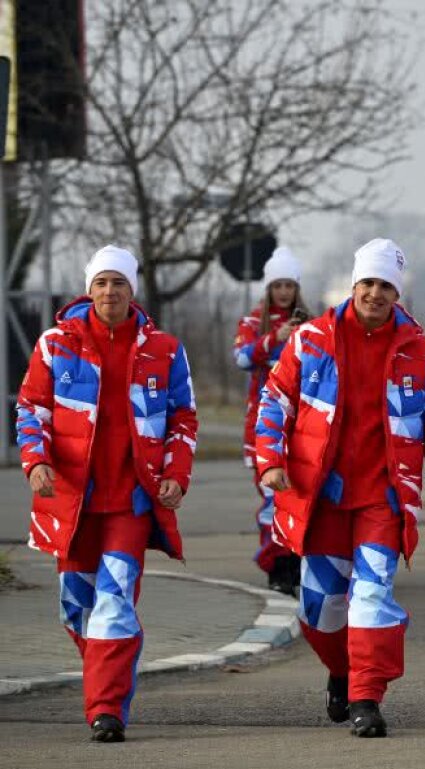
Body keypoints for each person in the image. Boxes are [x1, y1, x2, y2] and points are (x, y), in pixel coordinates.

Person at [256, 237, 425, 738]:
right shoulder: (311, 340)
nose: (375, 293)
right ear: (353, 286)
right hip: (320, 498)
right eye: (367, 283)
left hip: (383, 499)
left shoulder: (421, 352)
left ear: (397, 293)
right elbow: (273, 404)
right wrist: (270, 462)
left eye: (385, 285)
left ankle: (367, 697)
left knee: (371, 599)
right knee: (320, 610)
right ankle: (343, 672)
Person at [15, 245, 199, 743]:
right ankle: (109, 667)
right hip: (72, 500)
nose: (110, 292)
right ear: (88, 288)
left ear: (132, 290)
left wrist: (176, 474)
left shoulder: (164, 349)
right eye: (101, 283)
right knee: (76, 606)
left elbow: (184, 416)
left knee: (115, 603)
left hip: (131, 502)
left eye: (119, 283)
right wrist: (36, 461)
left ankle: (106, 709)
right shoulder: (57, 343)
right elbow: (32, 409)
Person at [232, 247, 311, 595]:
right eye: (277, 285)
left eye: (288, 285)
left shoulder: (310, 324)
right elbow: (241, 358)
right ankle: (275, 565)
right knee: (271, 500)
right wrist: (272, 339)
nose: (283, 292)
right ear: (268, 288)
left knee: (300, 498)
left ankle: (296, 562)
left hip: (304, 427)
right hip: (263, 428)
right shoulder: (252, 322)